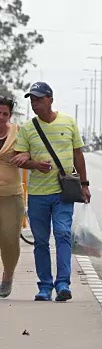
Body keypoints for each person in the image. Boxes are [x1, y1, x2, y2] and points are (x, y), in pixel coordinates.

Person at [11, 82, 90, 302]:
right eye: (32, 100)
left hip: (63, 192)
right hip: (37, 194)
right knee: (41, 241)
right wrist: (34, 164)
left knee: (63, 235)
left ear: (50, 99)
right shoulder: (27, 128)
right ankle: (45, 286)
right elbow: (20, 158)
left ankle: (63, 284)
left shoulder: (68, 122)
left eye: (39, 99)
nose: (35, 103)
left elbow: (78, 155)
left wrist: (85, 184)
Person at [0, 96, 24, 298]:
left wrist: (26, 156)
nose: (1, 117)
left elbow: (30, 152)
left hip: (11, 195)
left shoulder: (18, 132)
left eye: (5, 114)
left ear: (10, 115)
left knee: (9, 239)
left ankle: (7, 276)